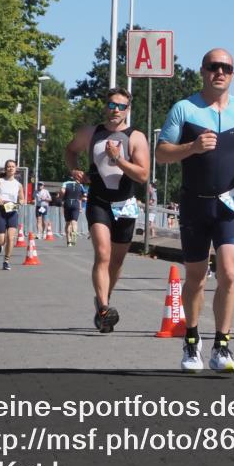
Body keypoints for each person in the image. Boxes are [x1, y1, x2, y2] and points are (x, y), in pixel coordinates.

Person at [157, 48, 234, 372]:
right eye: (214, 67)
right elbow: (161, 153)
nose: (220, 72)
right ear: (203, 71)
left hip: (231, 203)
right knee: (195, 277)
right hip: (194, 204)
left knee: (230, 273)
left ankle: (222, 346)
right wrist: (191, 147)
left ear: (232, 75)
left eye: (226, 68)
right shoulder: (184, 109)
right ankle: (192, 340)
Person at [64, 87, 149, 333]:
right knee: (103, 253)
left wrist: (119, 159)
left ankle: (104, 299)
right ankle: (103, 308)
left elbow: (143, 175)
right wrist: (74, 169)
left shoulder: (136, 137)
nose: (115, 110)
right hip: (98, 200)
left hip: (125, 204)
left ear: (127, 110)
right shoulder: (91, 133)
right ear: (105, 106)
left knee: (116, 261)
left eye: (121, 106)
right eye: (112, 104)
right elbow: (70, 151)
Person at [0, 159, 25, 270]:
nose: (10, 168)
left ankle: (6, 260)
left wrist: (20, 202)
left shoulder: (18, 185)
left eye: (13, 166)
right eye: (8, 166)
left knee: (10, 237)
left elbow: (22, 199)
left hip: (12, 210)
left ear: (16, 169)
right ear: (5, 168)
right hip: (0, 210)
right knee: (1, 239)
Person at [58, 176, 86, 246]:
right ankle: (74, 237)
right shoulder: (80, 185)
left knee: (68, 223)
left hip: (67, 203)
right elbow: (85, 195)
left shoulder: (65, 183)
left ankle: (68, 241)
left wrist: (61, 197)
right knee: (74, 222)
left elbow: (62, 191)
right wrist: (80, 199)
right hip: (76, 203)